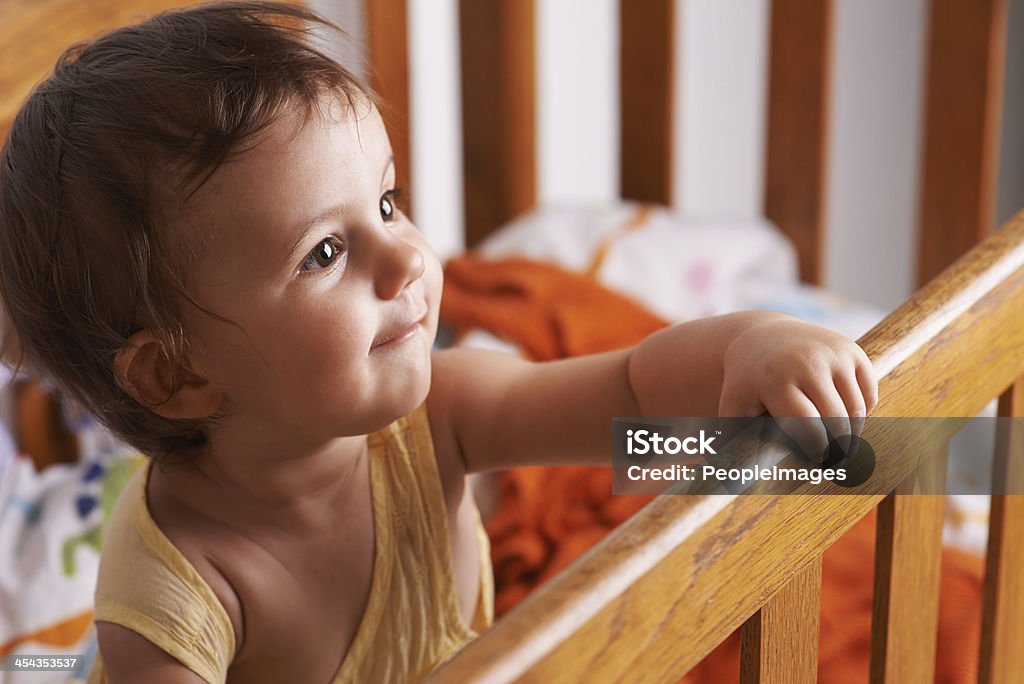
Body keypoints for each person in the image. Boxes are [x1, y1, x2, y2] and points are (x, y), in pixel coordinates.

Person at [0, 2, 877, 682]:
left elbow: (639, 403)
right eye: (326, 254)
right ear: (177, 371)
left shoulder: (442, 417)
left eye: (387, 202)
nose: (408, 257)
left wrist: (749, 347)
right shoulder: (177, 588)